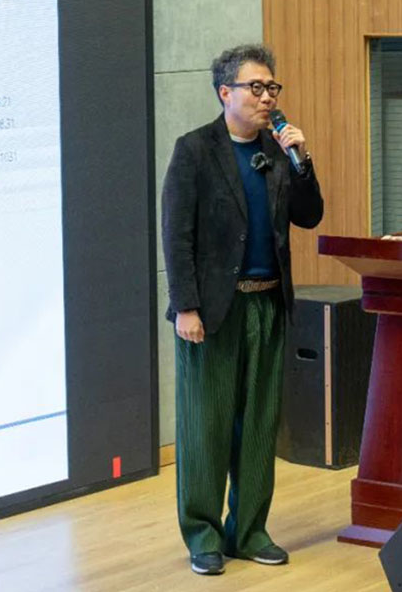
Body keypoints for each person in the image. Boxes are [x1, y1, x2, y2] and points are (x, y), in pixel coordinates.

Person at [161, 43, 323, 576]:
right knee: (205, 426)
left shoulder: (278, 151)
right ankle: (203, 535)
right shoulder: (195, 150)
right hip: (212, 312)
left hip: (267, 302)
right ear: (224, 92)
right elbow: (176, 234)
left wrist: (303, 161)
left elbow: (309, 216)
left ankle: (249, 531)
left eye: (271, 87)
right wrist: (185, 306)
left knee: (258, 425)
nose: (266, 97)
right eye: (255, 87)